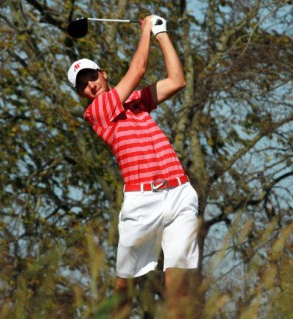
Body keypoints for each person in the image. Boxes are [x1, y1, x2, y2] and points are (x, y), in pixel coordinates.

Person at [67, 15, 200, 318]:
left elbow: (177, 80)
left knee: (178, 279)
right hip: (142, 202)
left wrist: (161, 33)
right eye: (83, 85)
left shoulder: (136, 102)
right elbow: (138, 69)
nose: (90, 85)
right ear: (81, 95)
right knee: (125, 283)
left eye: (92, 77)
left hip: (179, 192)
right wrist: (145, 31)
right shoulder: (97, 112)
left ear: (103, 73)